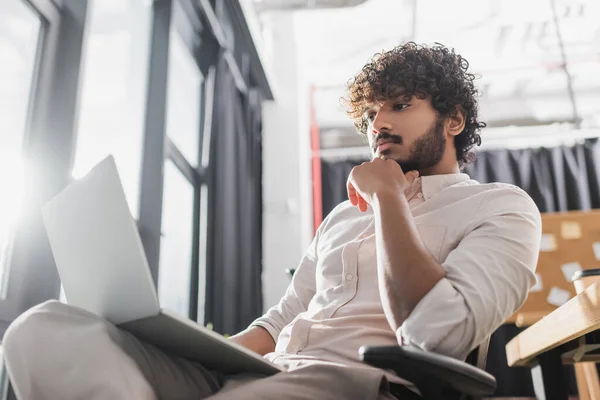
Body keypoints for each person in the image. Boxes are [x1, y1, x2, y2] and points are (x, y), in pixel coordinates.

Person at [3, 42, 541, 400]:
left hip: (356, 381)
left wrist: (389, 202)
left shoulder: (502, 207)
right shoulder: (338, 219)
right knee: (46, 330)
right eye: (370, 114)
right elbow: (282, 320)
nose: (377, 123)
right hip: (266, 372)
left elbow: (436, 334)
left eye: (397, 105)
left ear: (453, 120)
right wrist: (185, 346)